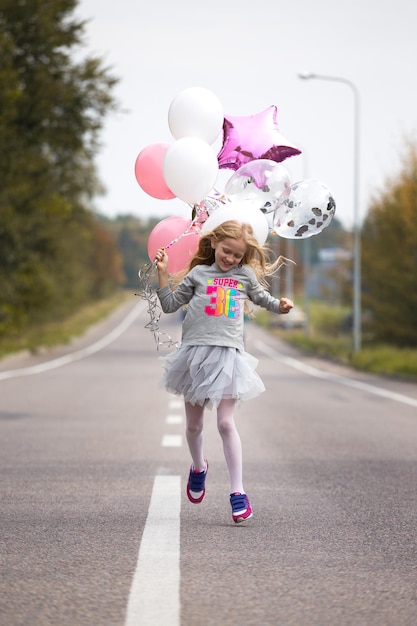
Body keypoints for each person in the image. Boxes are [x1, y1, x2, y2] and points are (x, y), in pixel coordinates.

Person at [155, 219, 293, 523]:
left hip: (229, 356)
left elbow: (262, 299)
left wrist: (280, 307)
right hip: (194, 356)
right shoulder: (199, 274)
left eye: (237, 256)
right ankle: (199, 467)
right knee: (193, 427)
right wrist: (163, 274)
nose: (230, 259)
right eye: (226, 251)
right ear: (214, 243)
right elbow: (169, 305)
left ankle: (237, 492)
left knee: (227, 424)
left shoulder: (244, 276)